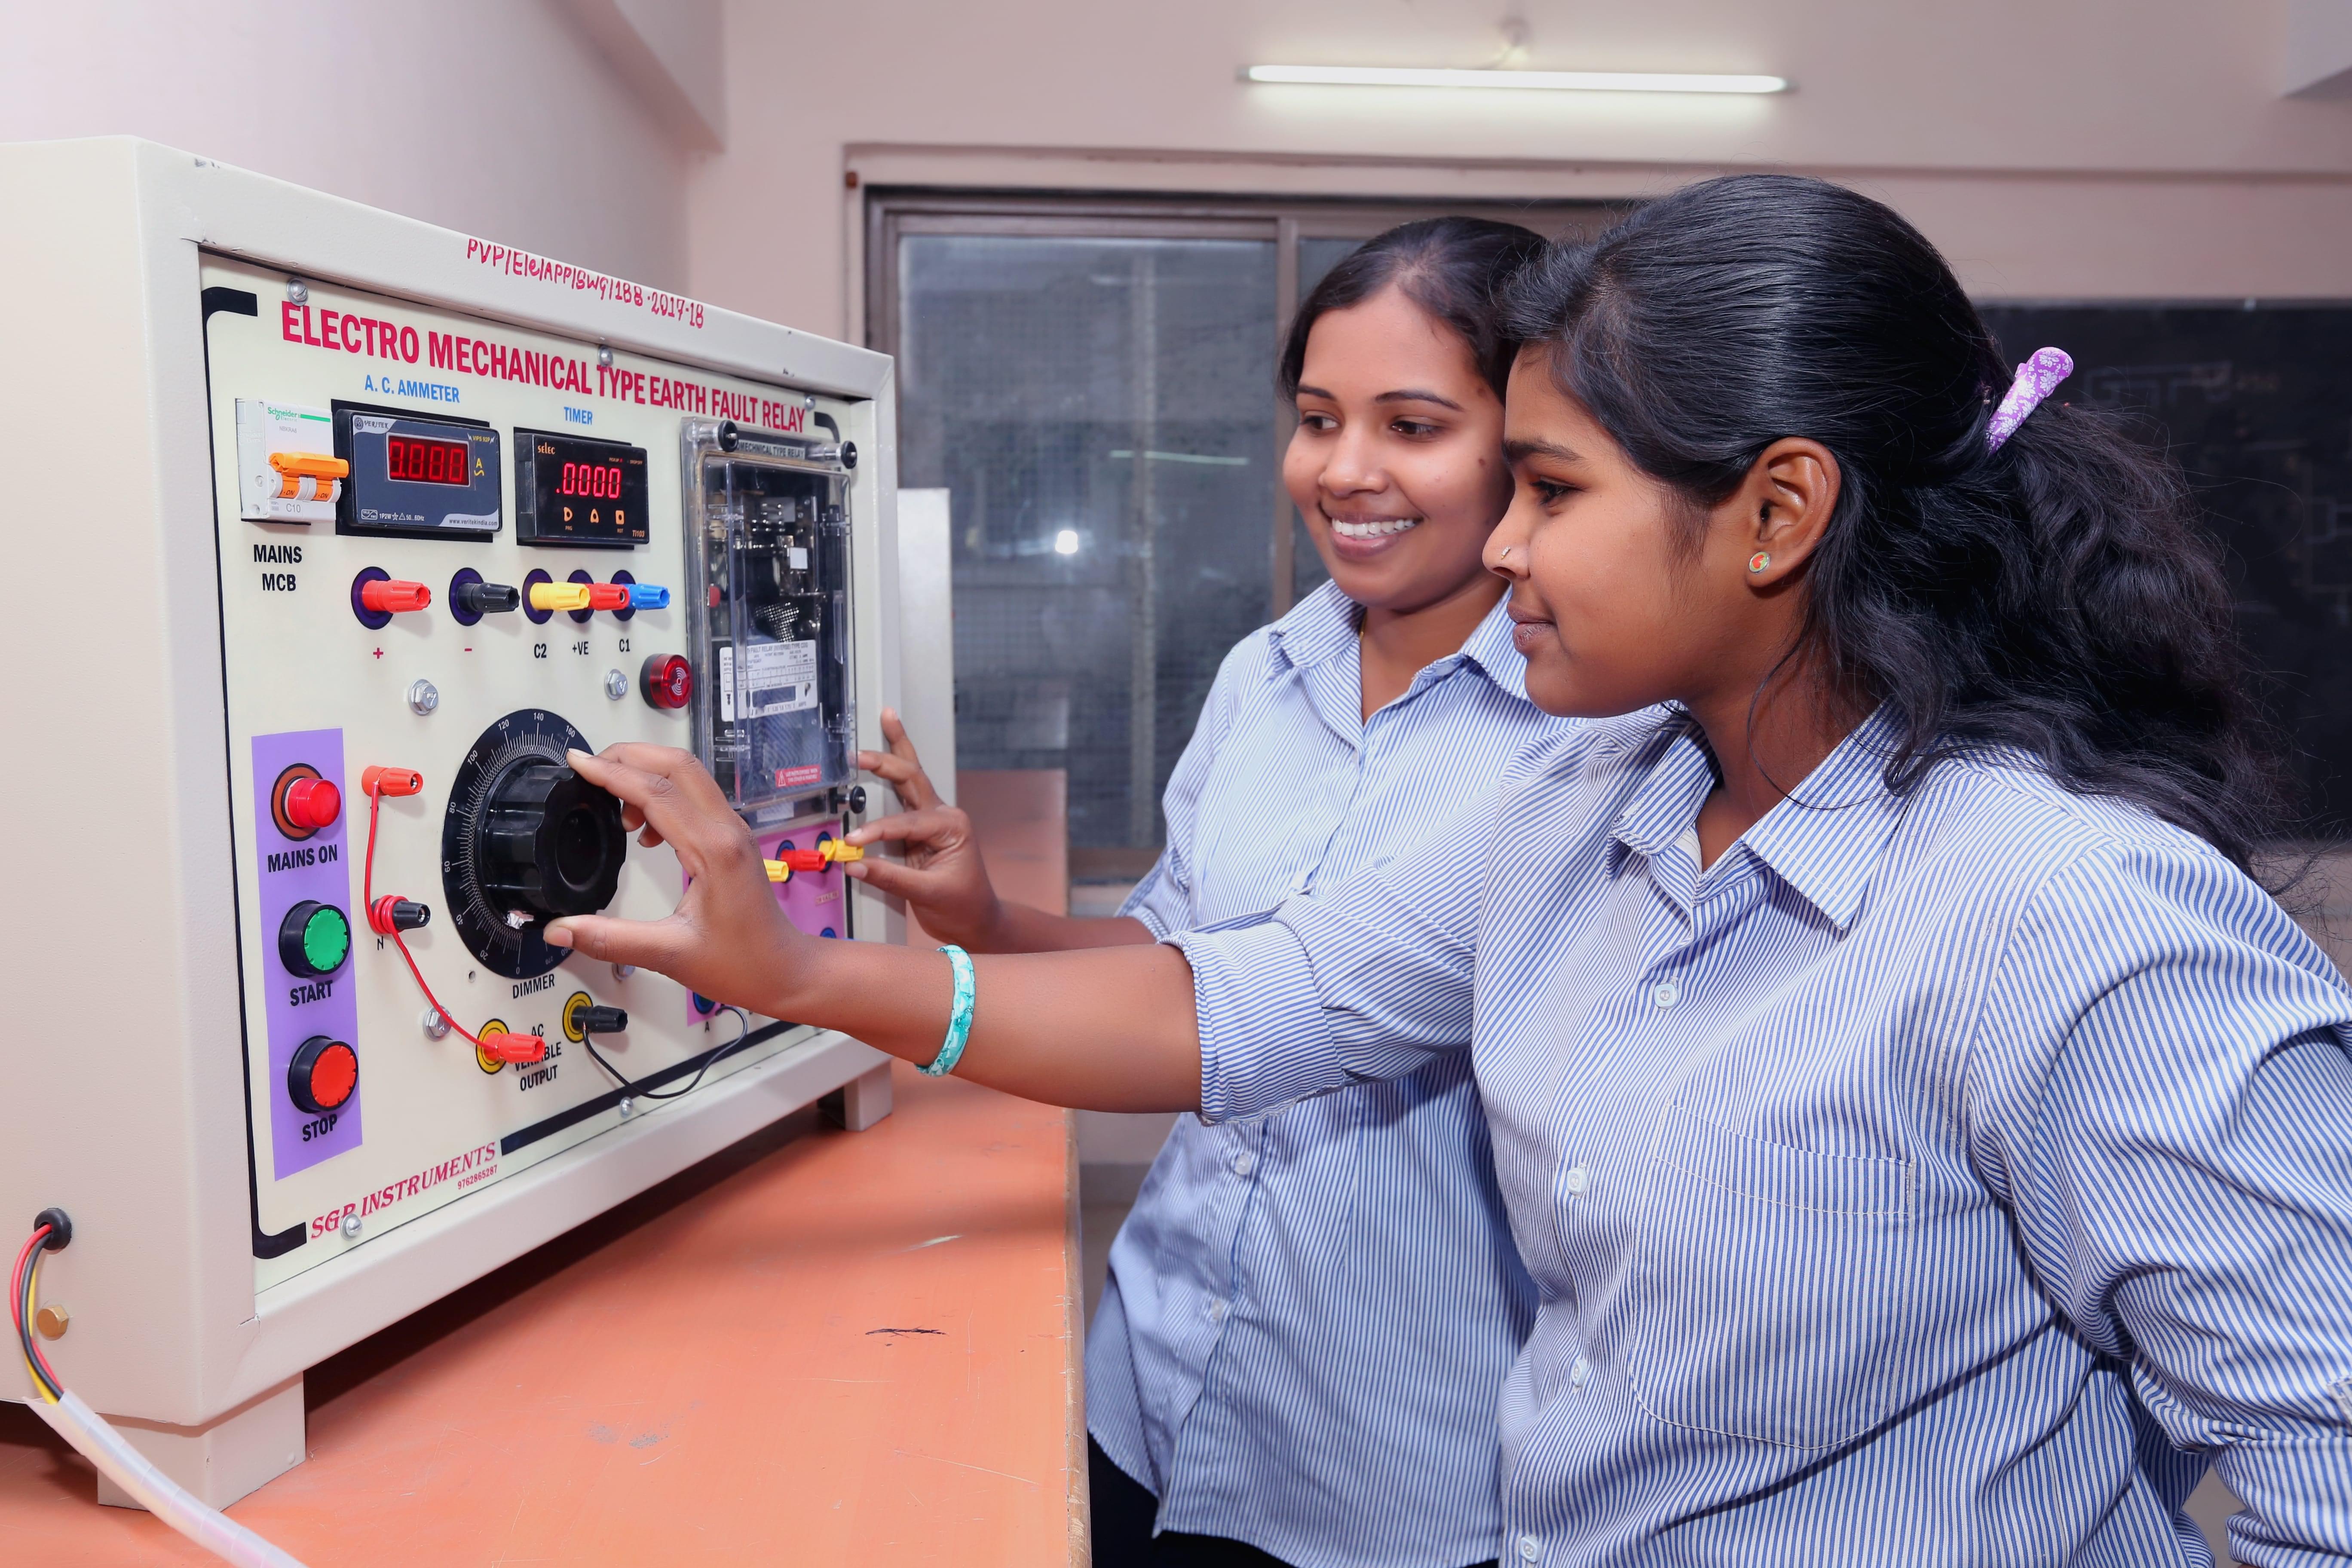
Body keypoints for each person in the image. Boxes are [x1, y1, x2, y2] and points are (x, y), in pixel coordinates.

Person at [548, 176, 2352, 1563]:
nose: (1497, 539)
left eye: (1549, 490)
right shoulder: (1587, 807)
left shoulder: (2076, 923)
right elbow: (1243, 995)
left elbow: (2322, 1473)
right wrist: (798, 972)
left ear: (1779, 514)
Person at [838, 217, 1563, 1568]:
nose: (1346, 472)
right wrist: (990, 922)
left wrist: (794, 972)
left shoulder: (1582, 743)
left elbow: (1229, 1016)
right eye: (1316, 418)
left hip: (1380, 1473)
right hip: (1149, 1382)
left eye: (1412, 425)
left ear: (1528, 446)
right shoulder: (1266, 672)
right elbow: (1173, 951)